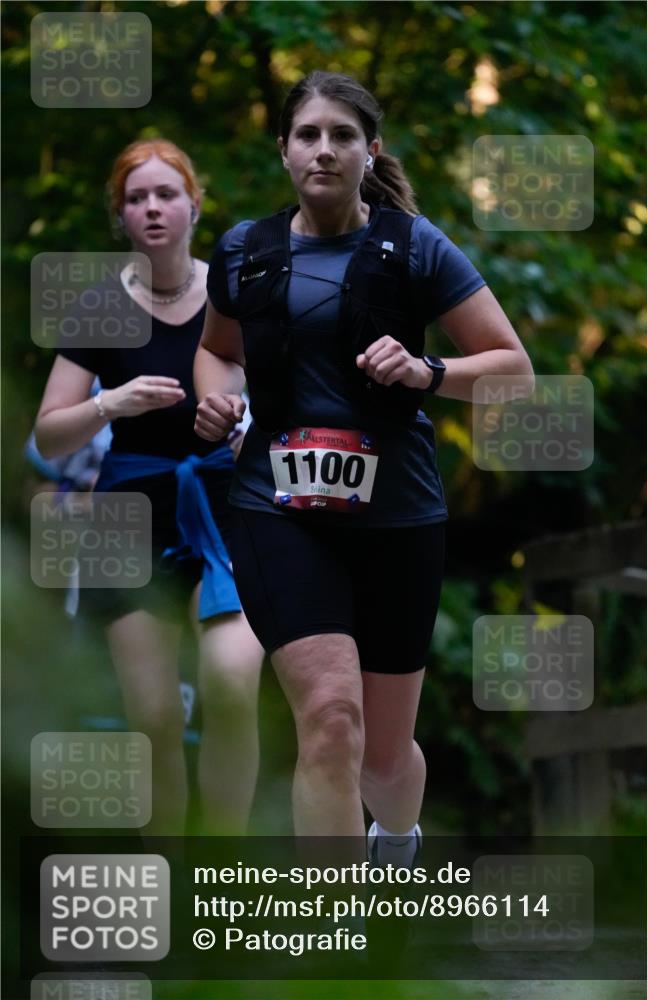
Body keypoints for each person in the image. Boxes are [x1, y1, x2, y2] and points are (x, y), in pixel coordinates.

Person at [194, 72, 533, 862]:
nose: (323, 149)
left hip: (395, 515)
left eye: (341, 135)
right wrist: (222, 407)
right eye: (307, 134)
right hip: (276, 508)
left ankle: (397, 836)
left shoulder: (415, 246)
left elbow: (512, 367)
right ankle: (339, 938)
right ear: (282, 151)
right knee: (330, 718)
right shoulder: (245, 250)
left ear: (368, 150)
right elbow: (216, 352)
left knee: (383, 759)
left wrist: (427, 372)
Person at [34, 139, 264, 836]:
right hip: (129, 519)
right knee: (155, 717)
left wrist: (251, 423)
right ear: (122, 217)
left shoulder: (234, 297)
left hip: (227, 508)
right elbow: (50, 436)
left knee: (229, 690)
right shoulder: (100, 308)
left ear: (193, 204)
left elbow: (287, 396)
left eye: (166, 194)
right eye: (137, 199)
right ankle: (166, 879)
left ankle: (224, 871)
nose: (152, 208)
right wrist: (112, 403)